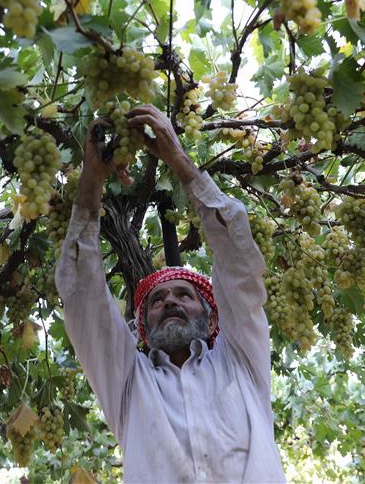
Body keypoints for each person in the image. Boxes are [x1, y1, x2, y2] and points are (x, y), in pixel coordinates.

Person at [54, 104, 286, 483]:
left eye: (184, 294)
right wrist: (91, 181)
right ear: (142, 327)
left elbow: (239, 261)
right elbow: (81, 293)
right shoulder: (128, 385)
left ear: (213, 318)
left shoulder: (241, 361)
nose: (170, 302)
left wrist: (178, 161)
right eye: (157, 301)